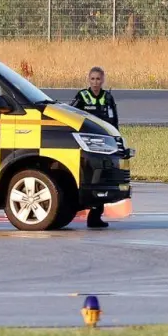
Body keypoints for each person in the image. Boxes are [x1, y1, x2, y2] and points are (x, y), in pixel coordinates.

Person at [69, 66, 119, 229]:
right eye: (93, 79)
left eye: (98, 79)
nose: (95, 82)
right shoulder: (82, 96)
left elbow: (114, 121)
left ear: (103, 80)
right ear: (88, 80)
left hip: (104, 145)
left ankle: (95, 216)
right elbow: (71, 114)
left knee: (103, 179)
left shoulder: (108, 97)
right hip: (87, 144)